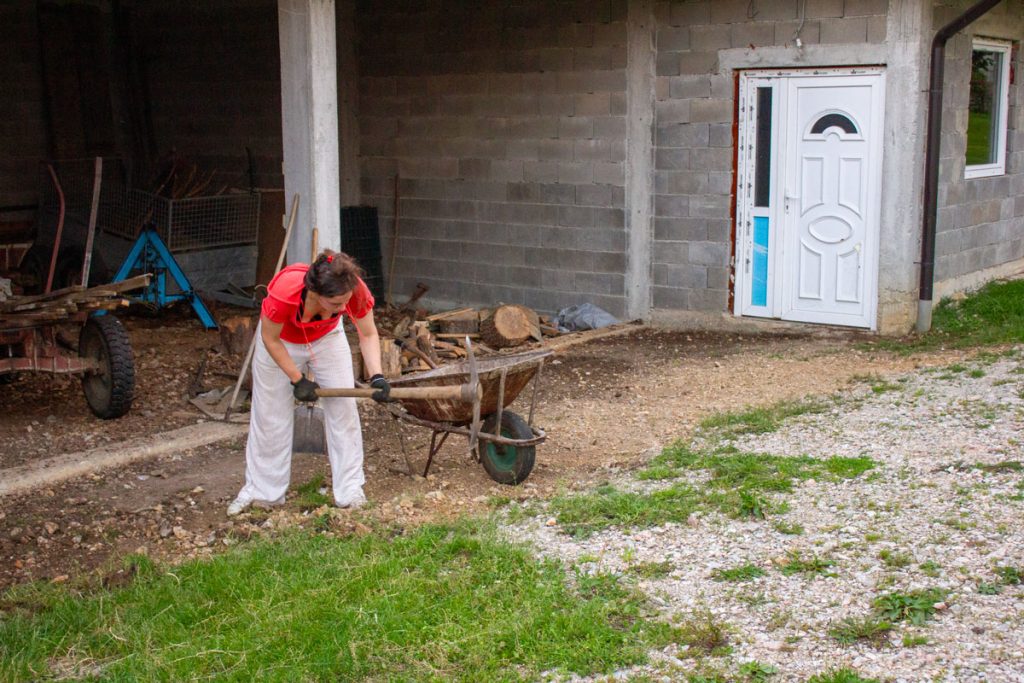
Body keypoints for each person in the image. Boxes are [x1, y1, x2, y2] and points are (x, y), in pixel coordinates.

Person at [227, 250, 391, 516]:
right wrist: (298, 379)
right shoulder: (285, 292)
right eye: (336, 304)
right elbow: (270, 339)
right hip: (282, 343)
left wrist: (377, 376)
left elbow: (368, 333)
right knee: (270, 415)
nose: (343, 308)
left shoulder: (353, 289)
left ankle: (350, 490)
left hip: (326, 339)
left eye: (345, 302)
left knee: (343, 410)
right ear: (315, 293)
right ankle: (262, 492)